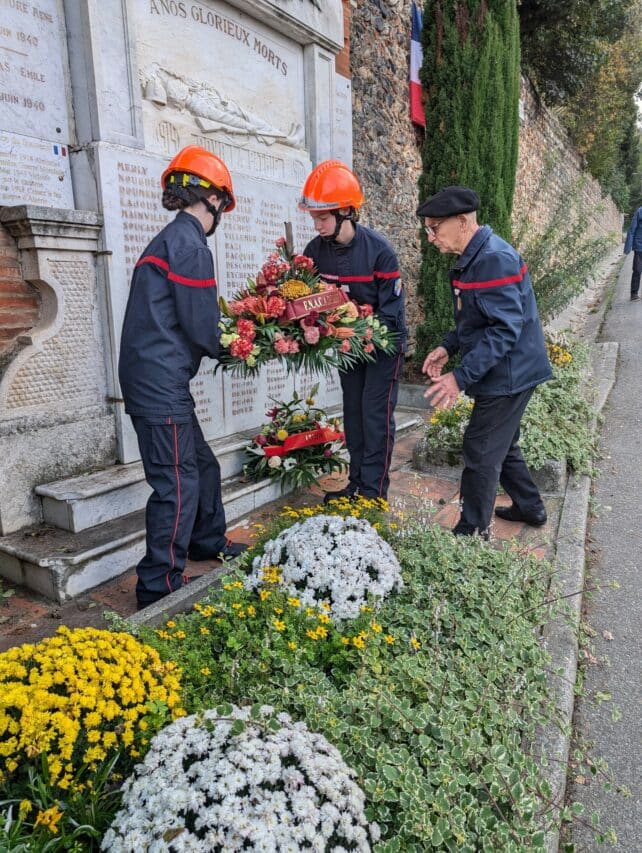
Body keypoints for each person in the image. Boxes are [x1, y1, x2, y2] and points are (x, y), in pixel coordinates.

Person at [119, 145, 247, 610]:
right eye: (222, 208)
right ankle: (159, 585)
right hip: (159, 385)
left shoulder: (170, 241)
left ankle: (206, 541)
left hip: (156, 381)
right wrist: (244, 346)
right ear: (211, 200)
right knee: (176, 483)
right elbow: (201, 326)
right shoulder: (191, 246)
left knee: (202, 466)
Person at [418, 186, 552, 538]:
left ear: (462, 222)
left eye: (435, 228)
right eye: (428, 230)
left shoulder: (493, 258)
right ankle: (530, 507)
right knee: (501, 444)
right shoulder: (475, 257)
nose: (431, 237)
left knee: (480, 448)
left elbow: (504, 331)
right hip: (510, 367)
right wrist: (448, 346)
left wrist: (458, 378)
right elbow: (477, 319)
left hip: (510, 372)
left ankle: (473, 530)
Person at [298, 160, 407, 502]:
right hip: (348, 349)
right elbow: (308, 302)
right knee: (354, 418)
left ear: (346, 211)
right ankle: (356, 484)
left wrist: (358, 326)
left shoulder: (380, 253)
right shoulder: (314, 253)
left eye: (323, 217)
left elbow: (391, 315)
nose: (316, 224)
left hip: (382, 349)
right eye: (313, 217)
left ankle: (373, 493)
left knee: (375, 418)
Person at [623, 204, 642, 300]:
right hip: (639, 246)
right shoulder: (640, 211)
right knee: (637, 270)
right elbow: (631, 229)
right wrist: (628, 247)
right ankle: (634, 293)